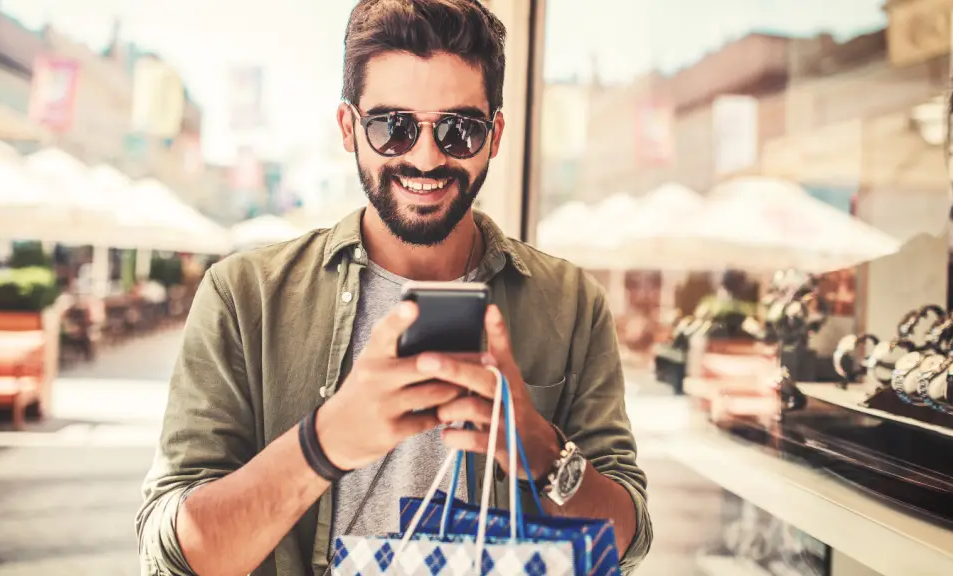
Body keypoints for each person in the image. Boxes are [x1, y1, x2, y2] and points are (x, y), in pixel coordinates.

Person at [135, 1, 653, 575]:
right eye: (392, 127)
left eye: (460, 130)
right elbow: (175, 554)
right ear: (348, 128)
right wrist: (323, 443)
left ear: (496, 135)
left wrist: (539, 450)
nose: (426, 158)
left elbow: (627, 539)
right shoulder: (243, 297)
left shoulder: (570, 303)